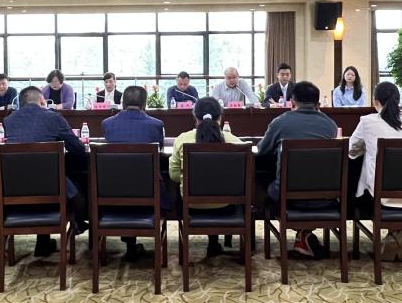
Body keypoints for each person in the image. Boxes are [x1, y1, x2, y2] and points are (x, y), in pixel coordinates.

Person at [256, 82, 338, 258]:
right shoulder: (330, 125)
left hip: (289, 199)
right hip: (325, 198)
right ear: (318, 104)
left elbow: (262, 150)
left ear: (292, 102)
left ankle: (301, 233)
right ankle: (304, 234)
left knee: (261, 179)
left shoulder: (280, 122)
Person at [3, 86, 88, 256]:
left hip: (16, 189)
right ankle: (79, 223)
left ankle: (43, 242)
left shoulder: (8, 120)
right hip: (51, 188)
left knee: (39, 173)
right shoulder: (53, 117)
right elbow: (78, 149)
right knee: (76, 182)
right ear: (42, 101)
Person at [348, 82, 402, 261]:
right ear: (398, 100)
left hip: (379, 197)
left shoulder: (367, 121)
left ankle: (394, 236)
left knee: (364, 184)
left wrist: (368, 150)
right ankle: (399, 233)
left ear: (376, 101)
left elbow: (351, 151)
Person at [169, 97, 245, 257]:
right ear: (220, 117)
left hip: (191, 208)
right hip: (227, 207)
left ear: (195, 117)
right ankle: (215, 243)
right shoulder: (236, 142)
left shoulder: (182, 140)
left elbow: (174, 175)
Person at [100, 85, 165, 261]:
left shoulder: (107, 124)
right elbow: (159, 152)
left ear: (122, 103)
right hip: (148, 192)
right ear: (144, 104)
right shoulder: (156, 125)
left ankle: (128, 244)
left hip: (111, 192)